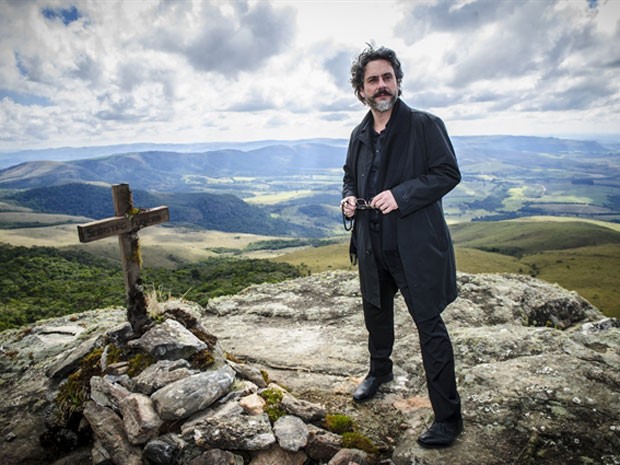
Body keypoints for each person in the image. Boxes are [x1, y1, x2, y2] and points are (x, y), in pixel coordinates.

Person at [341, 45, 463, 448]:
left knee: (430, 327)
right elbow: (349, 177)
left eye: (387, 77)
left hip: (414, 248)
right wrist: (348, 198)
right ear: (361, 90)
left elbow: (447, 173)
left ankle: (448, 418)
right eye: (373, 80)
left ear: (398, 81)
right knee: (376, 314)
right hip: (372, 245)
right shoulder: (359, 135)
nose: (381, 86)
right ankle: (380, 371)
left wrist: (402, 195)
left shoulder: (425, 126)